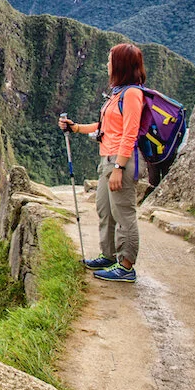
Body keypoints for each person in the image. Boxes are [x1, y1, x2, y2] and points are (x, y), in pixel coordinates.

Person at [58, 43, 146, 284]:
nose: (107, 65)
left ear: (120, 65)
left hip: (121, 161)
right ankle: (108, 256)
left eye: (110, 61)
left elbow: (130, 133)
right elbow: (104, 127)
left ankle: (126, 266)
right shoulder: (117, 94)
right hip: (107, 160)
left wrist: (119, 167)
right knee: (105, 210)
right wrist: (76, 128)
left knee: (124, 214)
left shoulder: (132, 94)